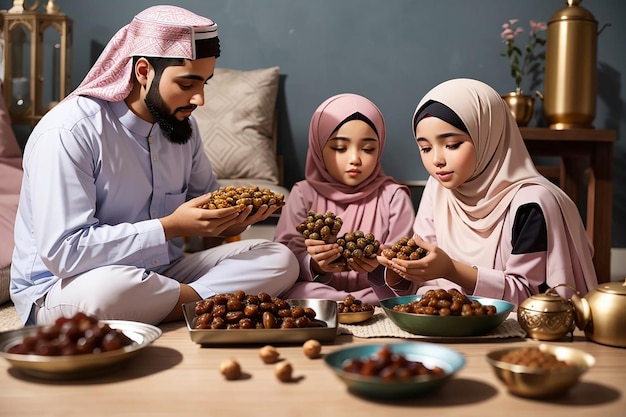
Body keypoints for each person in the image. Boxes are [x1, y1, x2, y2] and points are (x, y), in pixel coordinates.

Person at [10, 5, 298, 326]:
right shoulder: (69, 131)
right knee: (109, 293)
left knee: (279, 258)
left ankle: (176, 303)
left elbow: (206, 204)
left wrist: (231, 222)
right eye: (187, 85)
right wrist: (171, 227)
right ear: (143, 71)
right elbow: (65, 253)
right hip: (67, 285)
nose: (199, 99)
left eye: (205, 83)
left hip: (164, 273)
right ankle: (203, 302)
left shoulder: (182, 128)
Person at [378, 78, 598, 306]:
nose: (436, 160)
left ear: (489, 136)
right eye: (425, 148)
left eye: (452, 144)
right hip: (448, 327)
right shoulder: (438, 188)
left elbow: (532, 299)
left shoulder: (531, 203)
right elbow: (426, 280)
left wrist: (451, 270)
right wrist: (398, 270)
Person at [273, 93, 416, 305]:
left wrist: (379, 264)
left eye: (368, 149)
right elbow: (283, 258)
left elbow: (405, 265)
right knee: (291, 291)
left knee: (401, 296)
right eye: (339, 148)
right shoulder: (303, 192)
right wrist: (315, 264)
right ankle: (352, 304)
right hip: (316, 291)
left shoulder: (394, 195)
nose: (355, 159)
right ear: (319, 147)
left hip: (375, 292)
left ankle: (350, 304)